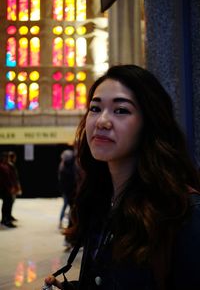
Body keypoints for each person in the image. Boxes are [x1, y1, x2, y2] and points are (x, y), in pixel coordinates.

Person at [44, 64, 200, 290]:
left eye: (121, 111)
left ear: (150, 123)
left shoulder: (182, 213)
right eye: (95, 109)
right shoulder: (99, 202)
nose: (102, 121)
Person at [58, 149, 76, 230]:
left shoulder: (62, 166)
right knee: (70, 207)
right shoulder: (68, 167)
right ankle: (68, 223)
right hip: (69, 190)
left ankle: (64, 222)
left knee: (67, 207)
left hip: (66, 190)